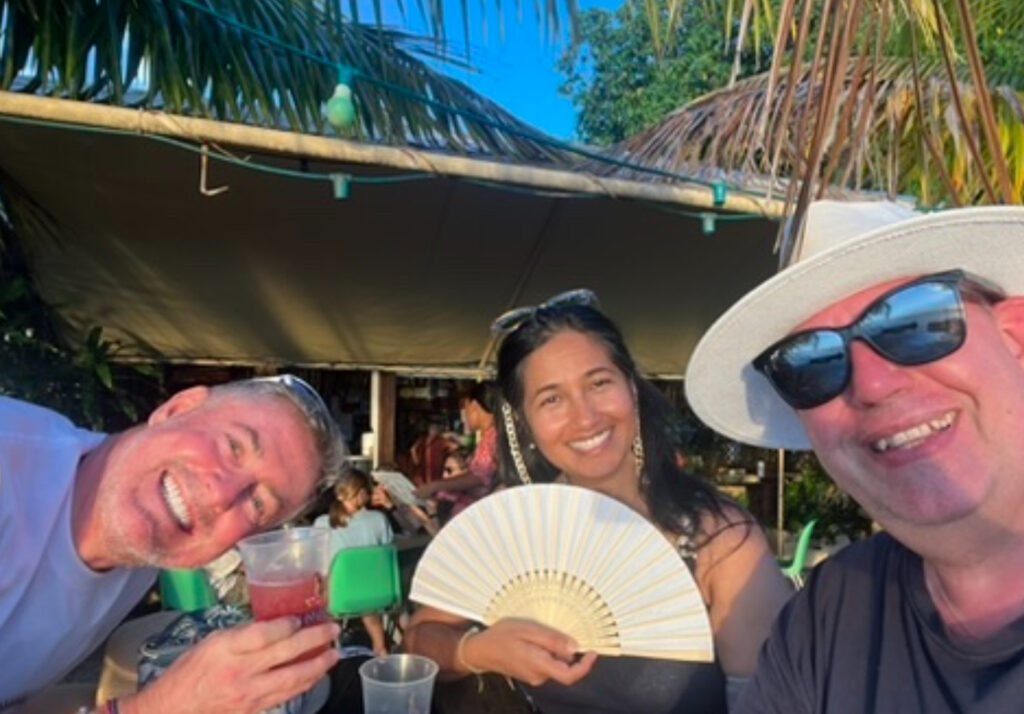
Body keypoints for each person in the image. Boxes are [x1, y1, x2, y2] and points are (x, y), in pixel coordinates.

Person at [684, 200, 1024, 713]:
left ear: (1015, 337)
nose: (871, 385)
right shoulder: (832, 611)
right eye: (810, 363)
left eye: (915, 322)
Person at [405, 292, 791, 713]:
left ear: (632, 388)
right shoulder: (515, 525)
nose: (586, 417)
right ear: (524, 422)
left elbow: (776, 699)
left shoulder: (719, 541)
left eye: (599, 383)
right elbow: (420, 641)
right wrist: (475, 650)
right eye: (552, 399)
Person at [0, 374, 347, 714]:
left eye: (258, 504)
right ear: (176, 409)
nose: (220, 495)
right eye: (232, 447)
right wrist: (158, 707)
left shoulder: (140, 562)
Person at [313, 469, 394, 656]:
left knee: (324, 580)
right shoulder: (379, 520)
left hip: (338, 598)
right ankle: (380, 649)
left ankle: (328, 650)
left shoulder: (321, 524)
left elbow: (317, 563)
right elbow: (387, 550)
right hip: (374, 594)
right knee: (367, 592)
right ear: (363, 493)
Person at [414, 383, 498, 517]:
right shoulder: (493, 436)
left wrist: (436, 485)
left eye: (464, 408)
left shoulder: (493, 437)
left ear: (474, 406)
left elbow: (478, 477)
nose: (464, 416)